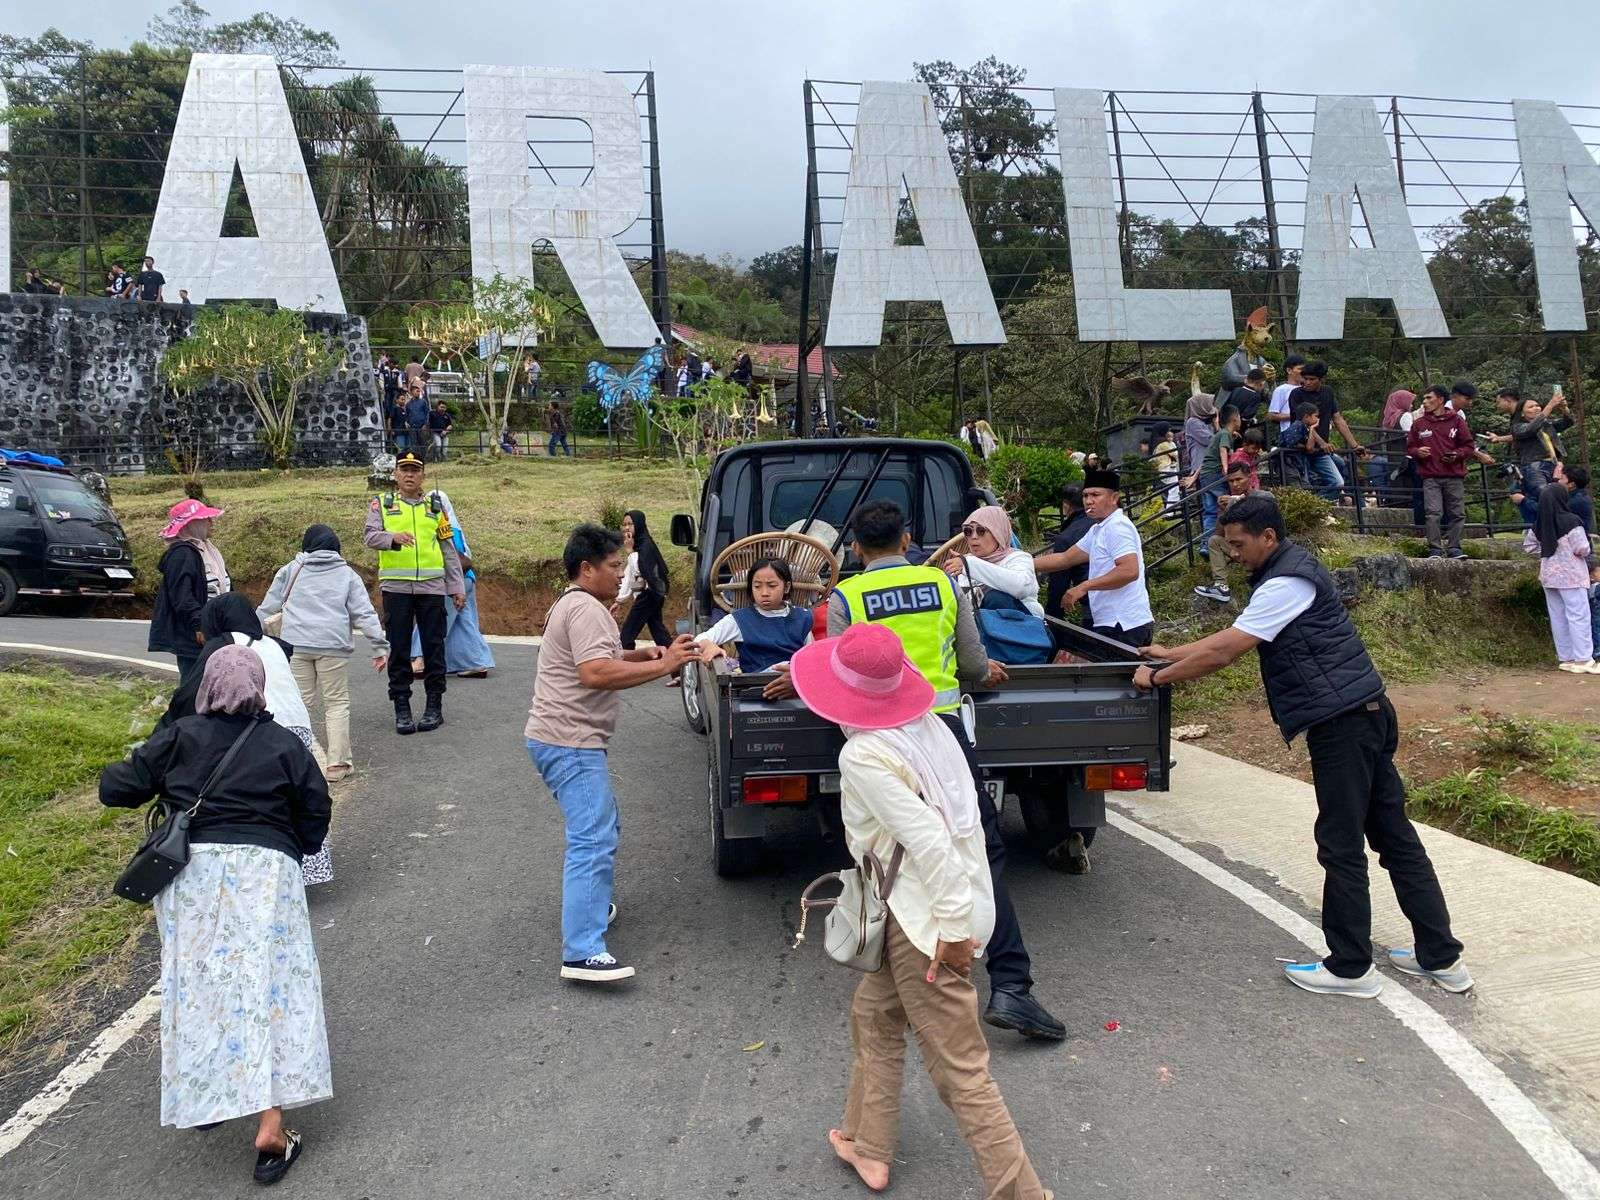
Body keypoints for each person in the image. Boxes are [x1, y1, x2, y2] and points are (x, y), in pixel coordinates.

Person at [1134, 495, 1472, 998]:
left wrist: (1159, 677)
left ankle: (1351, 967)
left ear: (1268, 537)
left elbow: (1227, 651)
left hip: (1343, 725)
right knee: (1395, 838)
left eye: (1239, 544)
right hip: (1367, 710)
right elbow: (1232, 634)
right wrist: (1171, 652)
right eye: (1227, 545)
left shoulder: (1286, 582)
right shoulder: (1290, 571)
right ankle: (1441, 959)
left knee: (1341, 844)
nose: (1234, 554)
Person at [782, 499, 1065, 1037]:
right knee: (977, 848)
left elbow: (847, 672)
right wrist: (981, 674)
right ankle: (1011, 986)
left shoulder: (847, 596)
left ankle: (899, 981)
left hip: (878, 740)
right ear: (908, 540)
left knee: (892, 858)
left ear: (858, 549)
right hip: (941, 733)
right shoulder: (943, 586)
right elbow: (975, 665)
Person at [788, 623, 1053, 1200]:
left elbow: (930, 840)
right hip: (929, 908)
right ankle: (867, 1145)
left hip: (926, 923)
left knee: (960, 1069)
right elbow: (965, 832)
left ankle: (1023, 1194)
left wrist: (955, 932)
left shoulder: (863, 754)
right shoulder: (932, 728)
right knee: (874, 1017)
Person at [99, 646, 331, 1184]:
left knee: (200, 985)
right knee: (272, 991)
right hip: (267, 874)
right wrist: (285, 844)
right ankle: (271, 1126)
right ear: (259, 688)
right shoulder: (283, 745)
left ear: (206, 687)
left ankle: (210, 1094)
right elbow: (316, 813)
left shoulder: (181, 735)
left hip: (193, 878)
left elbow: (115, 788)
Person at [527, 524, 698, 983]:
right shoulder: (584, 608)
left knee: (601, 826)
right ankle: (581, 951)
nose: (621, 574)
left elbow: (605, 656)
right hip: (570, 742)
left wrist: (646, 655)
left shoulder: (578, 604)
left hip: (565, 739)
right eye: (614, 566)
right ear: (587, 569)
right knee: (593, 837)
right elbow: (595, 673)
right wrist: (665, 665)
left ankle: (593, 906)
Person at [257, 525, 389, 784]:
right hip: (333, 647)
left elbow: (267, 607)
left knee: (299, 703)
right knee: (336, 703)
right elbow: (364, 613)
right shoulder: (347, 575)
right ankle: (337, 765)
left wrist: (245, 636)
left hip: (296, 645)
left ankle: (295, 763)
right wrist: (379, 646)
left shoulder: (291, 569)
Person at [364, 452, 466, 735]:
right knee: (399, 648)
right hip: (396, 588)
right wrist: (391, 539)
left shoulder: (435, 508)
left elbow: (448, 550)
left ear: (422, 475)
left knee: (434, 646)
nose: (409, 475)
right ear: (395, 474)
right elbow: (369, 536)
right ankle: (402, 707)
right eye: (404, 470)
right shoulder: (382, 505)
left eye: (415, 470)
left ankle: (434, 706)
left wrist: (456, 586)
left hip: (432, 588)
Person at [1032, 468, 1155, 648]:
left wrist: (1084, 586)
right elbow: (1065, 559)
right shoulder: (1099, 529)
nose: (1089, 501)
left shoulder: (1117, 526)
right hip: (1112, 624)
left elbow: (1129, 571)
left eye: (1096, 495)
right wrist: (1018, 562)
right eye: (1085, 495)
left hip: (1123, 624)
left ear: (1114, 498)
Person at [407, 490, 496, 679]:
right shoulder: (456, 526)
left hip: (450, 580)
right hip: (467, 579)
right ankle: (476, 662)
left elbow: (451, 555)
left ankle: (420, 658)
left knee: (432, 617)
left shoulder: (443, 525)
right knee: (464, 620)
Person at [148, 498, 229, 681]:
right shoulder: (182, 554)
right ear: (193, 524)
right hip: (195, 635)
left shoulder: (207, 551)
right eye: (206, 519)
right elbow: (182, 597)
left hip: (215, 629)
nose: (211, 523)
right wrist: (199, 625)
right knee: (195, 688)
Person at [693, 556, 813, 672]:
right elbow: (700, 640)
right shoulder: (741, 620)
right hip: (754, 687)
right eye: (757, 586)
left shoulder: (803, 617)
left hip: (795, 684)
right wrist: (709, 646)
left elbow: (811, 654)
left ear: (786, 587)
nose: (764, 593)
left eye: (772, 586)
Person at [1524, 483, 1597, 672]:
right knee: (1578, 615)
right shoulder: (1571, 520)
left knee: (1558, 616)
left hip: (1549, 575)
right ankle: (1583, 659)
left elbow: (1529, 547)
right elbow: (1582, 548)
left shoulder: (1539, 524)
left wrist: (1550, 550)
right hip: (1572, 575)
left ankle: (1566, 658)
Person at [940, 504, 1045, 618]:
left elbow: (1021, 588)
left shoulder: (1018, 558)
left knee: (996, 597)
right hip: (977, 631)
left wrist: (969, 565)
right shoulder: (964, 562)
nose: (973, 536)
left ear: (998, 533)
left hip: (1019, 630)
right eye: (968, 531)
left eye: (981, 531)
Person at [1406, 385, 1474, 559]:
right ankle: (1435, 549)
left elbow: (1468, 446)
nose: (1425, 402)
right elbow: (1410, 447)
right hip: (1430, 476)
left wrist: (1457, 455)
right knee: (1433, 512)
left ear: (1441, 400)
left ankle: (1454, 548)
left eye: (1429, 398)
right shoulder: (1418, 423)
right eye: (1424, 398)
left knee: (1457, 513)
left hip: (1454, 475)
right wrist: (1417, 452)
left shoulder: (1457, 421)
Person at [1194, 461, 1270, 604]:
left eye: (1239, 479)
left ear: (1249, 477)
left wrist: (1242, 500)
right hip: (1241, 548)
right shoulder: (1230, 502)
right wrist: (1223, 510)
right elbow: (1219, 534)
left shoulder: (1263, 496)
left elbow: (1265, 514)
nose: (1235, 484)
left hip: (1262, 548)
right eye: (1231, 481)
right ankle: (1221, 587)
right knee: (1214, 541)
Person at [1287, 361, 1366, 498]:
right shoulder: (1296, 394)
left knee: (1338, 479)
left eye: (1312, 379)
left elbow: (1338, 419)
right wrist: (1323, 443)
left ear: (1321, 380)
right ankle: (1314, 503)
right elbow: (1303, 423)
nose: (1307, 382)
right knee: (1307, 485)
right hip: (1301, 449)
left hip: (1321, 451)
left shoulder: (1327, 392)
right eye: (1305, 379)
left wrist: (1355, 444)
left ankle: (1319, 503)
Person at [1506, 390, 1567, 527]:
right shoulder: (1517, 427)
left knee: (1558, 497)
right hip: (1534, 466)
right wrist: (1550, 405)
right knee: (1545, 496)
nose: (1537, 408)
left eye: (1538, 405)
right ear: (1522, 413)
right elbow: (1531, 429)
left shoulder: (1546, 424)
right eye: (1531, 406)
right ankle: (1540, 527)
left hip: (1554, 465)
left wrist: (1564, 408)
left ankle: (1552, 527)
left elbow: (1568, 422)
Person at [616, 510, 672, 655]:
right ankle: (679, 666)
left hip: (649, 595)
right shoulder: (639, 544)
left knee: (627, 635)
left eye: (630, 524)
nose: (627, 528)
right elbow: (629, 574)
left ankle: (627, 669)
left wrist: (629, 551)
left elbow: (641, 570)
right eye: (624, 524)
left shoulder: (645, 545)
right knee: (659, 632)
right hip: (653, 594)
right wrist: (620, 600)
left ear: (639, 524)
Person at [1041, 485, 1092, 641]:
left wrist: (1052, 622)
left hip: (1100, 612)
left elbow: (1058, 583)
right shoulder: (1102, 525)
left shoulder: (1069, 536)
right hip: (1137, 613)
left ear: (1065, 505)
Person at [1184, 403, 1239, 547]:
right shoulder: (1224, 434)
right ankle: (1230, 541)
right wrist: (1227, 469)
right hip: (1215, 475)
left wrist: (1195, 477)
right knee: (1228, 504)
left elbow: (1206, 458)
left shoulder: (1220, 434)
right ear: (1235, 419)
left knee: (1210, 512)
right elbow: (1223, 450)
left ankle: (1205, 545)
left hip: (1205, 476)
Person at [1380, 389, 1423, 526]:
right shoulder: (1404, 416)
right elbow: (1412, 435)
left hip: (1394, 457)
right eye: (1410, 402)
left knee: (1398, 483)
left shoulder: (1389, 418)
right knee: (1411, 485)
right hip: (1406, 455)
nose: (1411, 406)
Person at [1182, 391, 1217, 481]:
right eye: (1211, 404)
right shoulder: (1193, 422)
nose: (1213, 408)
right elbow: (1211, 441)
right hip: (1202, 469)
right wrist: (1217, 425)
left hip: (1210, 467)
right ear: (1201, 406)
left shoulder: (1206, 423)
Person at [1265, 353, 1305, 429]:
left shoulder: (1307, 388)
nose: (1303, 372)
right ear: (1289, 370)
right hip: (1290, 434)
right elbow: (1271, 415)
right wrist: (1295, 416)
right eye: (1300, 369)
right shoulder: (1281, 390)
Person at [1148, 422, 1180, 506]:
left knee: (1168, 491)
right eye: (1168, 430)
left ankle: (1170, 510)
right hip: (1168, 468)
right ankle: (1170, 511)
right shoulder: (1164, 443)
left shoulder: (1154, 442)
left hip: (1160, 470)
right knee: (1174, 489)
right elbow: (1174, 454)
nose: (1169, 433)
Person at [1227, 427, 1265, 491]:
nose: (1256, 451)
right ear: (1245, 445)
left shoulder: (1252, 456)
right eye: (1254, 448)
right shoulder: (1237, 457)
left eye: (1258, 448)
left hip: (1252, 488)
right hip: (1241, 489)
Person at [1562, 462, 1594, 533]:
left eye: (1562, 478)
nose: (1559, 480)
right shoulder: (1578, 496)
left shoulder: (1576, 501)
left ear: (1571, 484)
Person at [403, 379, 430, 452]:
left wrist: (425, 424)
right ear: (412, 392)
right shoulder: (408, 404)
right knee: (413, 444)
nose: (418, 393)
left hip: (422, 426)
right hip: (412, 427)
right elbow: (407, 415)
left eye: (419, 391)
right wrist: (407, 422)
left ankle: (424, 458)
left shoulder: (423, 402)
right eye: (416, 391)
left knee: (423, 443)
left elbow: (427, 413)